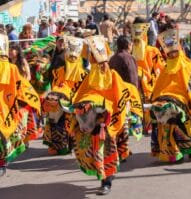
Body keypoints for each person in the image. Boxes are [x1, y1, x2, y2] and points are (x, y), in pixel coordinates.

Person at [62, 35, 142, 195]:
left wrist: (115, 112)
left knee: (108, 152)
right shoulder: (88, 78)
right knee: (94, 152)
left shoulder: (114, 77)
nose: (101, 66)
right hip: (90, 124)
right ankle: (102, 177)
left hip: (109, 123)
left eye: (102, 62)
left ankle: (107, 182)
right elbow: (80, 96)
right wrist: (82, 106)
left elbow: (121, 97)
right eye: (95, 60)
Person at [150, 28, 191, 162]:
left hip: (183, 99)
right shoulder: (166, 67)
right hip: (165, 98)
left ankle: (190, 148)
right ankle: (171, 149)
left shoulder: (187, 65)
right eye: (169, 53)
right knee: (159, 111)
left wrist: (190, 99)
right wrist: (155, 97)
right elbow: (159, 86)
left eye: (174, 52)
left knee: (182, 116)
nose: (172, 55)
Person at [0, 34, 41, 176]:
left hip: (8, 103)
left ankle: (2, 162)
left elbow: (22, 83)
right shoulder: (10, 66)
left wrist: (27, 97)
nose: (11, 52)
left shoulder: (13, 68)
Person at [42, 35, 87, 155]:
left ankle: (65, 146)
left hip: (68, 94)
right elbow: (53, 75)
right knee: (58, 120)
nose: (61, 44)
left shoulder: (69, 59)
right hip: (58, 92)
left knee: (67, 121)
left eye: (63, 42)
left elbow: (77, 76)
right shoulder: (56, 55)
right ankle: (61, 146)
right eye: (59, 42)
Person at [131, 17, 166, 134]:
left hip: (146, 84)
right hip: (140, 84)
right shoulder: (132, 50)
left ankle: (147, 125)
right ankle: (145, 125)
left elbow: (160, 68)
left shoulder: (152, 51)